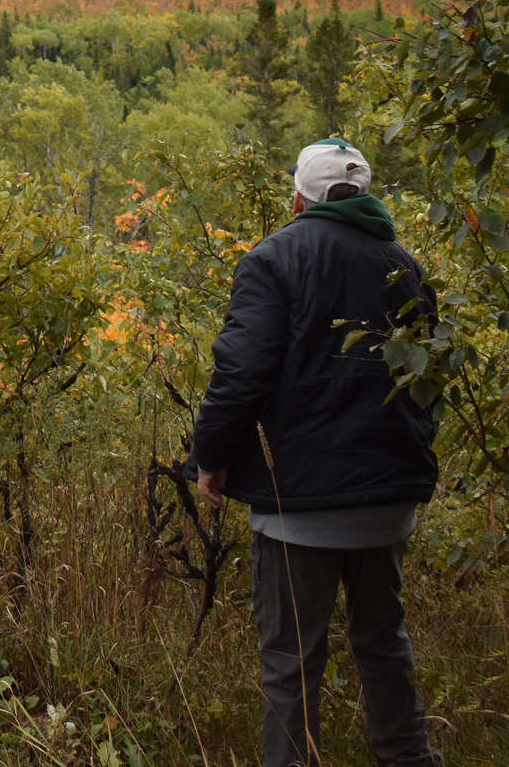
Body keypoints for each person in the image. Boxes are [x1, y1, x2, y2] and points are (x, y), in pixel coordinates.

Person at [192, 139, 441, 767]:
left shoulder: (273, 260)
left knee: (290, 662)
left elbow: (241, 373)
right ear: (362, 196)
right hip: (387, 497)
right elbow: (429, 380)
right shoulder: (403, 264)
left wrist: (210, 455)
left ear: (299, 197)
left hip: (296, 502)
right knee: (384, 643)